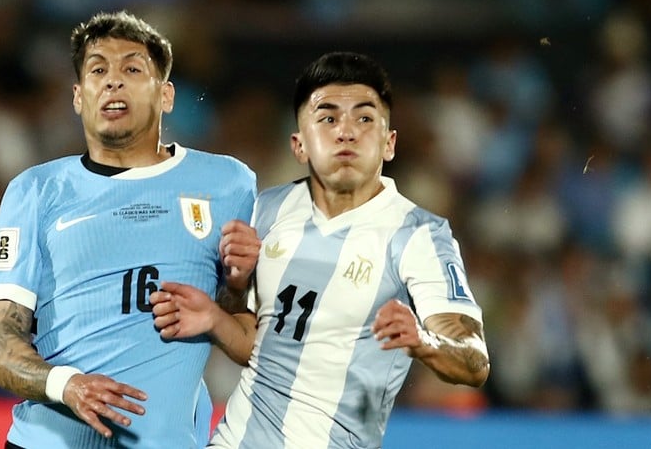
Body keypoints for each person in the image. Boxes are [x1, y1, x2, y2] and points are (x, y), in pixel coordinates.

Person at [151, 52, 490, 448]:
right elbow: (256, 344)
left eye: (364, 118)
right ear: (299, 145)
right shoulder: (268, 209)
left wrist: (423, 340)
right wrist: (233, 290)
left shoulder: (418, 235)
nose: (346, 132)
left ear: (389, 143)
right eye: (328, 118)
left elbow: (474, 361)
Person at [0, 10, 260, 448]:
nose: (113, 81)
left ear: (166, 95)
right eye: (98, 70)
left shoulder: (229, 184)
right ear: (78, 97)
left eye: (132, 68)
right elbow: (1, 348)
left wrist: (240, 283)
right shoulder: (35, 191)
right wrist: (68, 385)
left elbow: (253, 339)